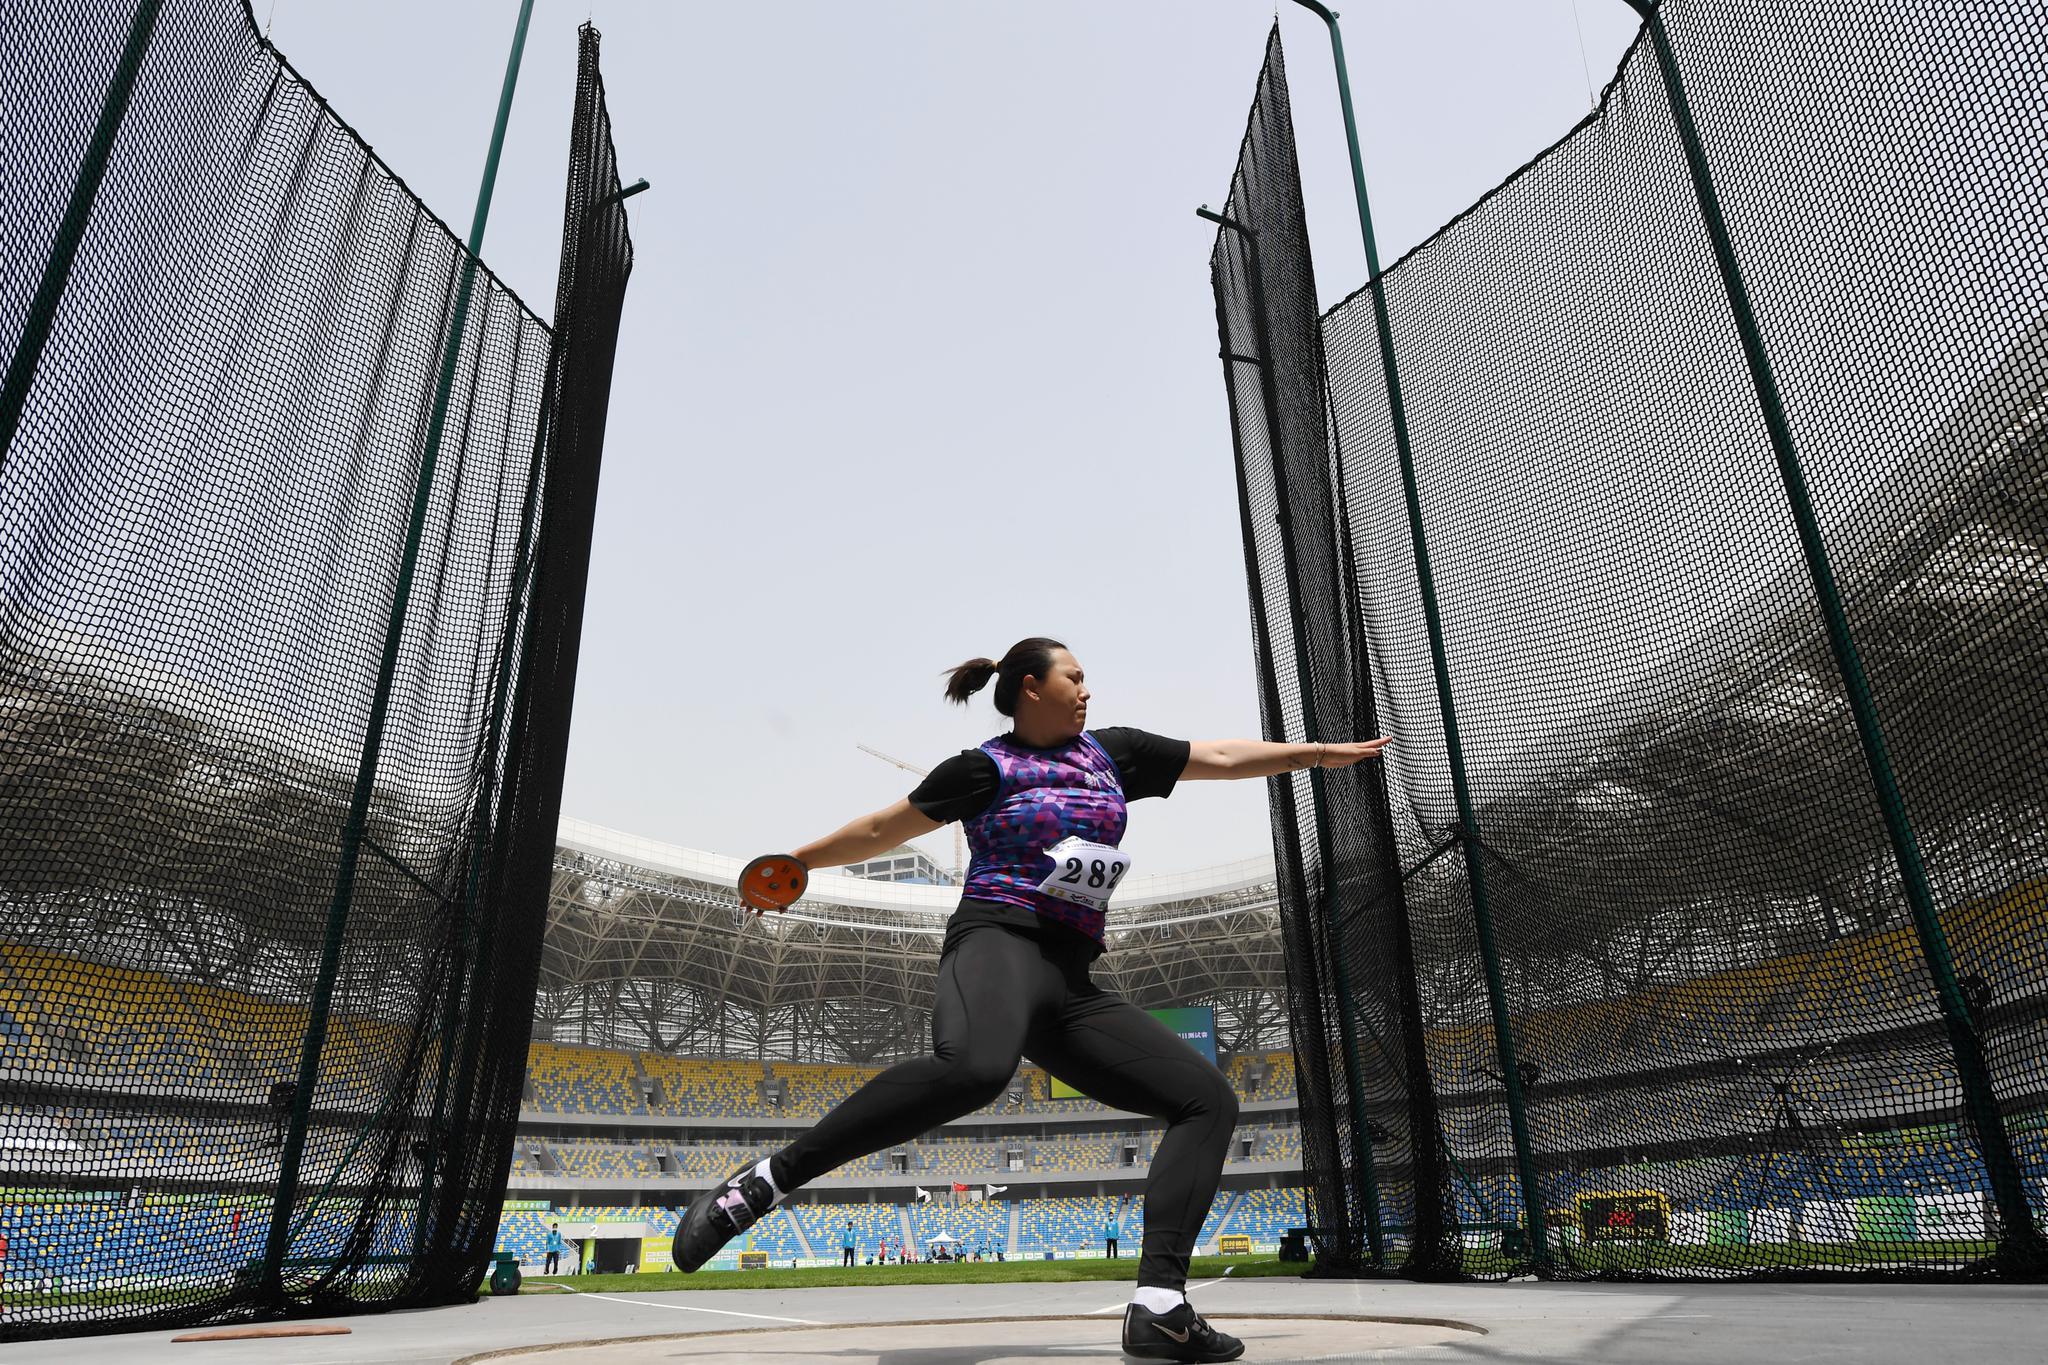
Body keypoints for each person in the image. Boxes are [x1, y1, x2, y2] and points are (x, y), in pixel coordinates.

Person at [672, 638, 1389, 1364]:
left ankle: (1160, 1307)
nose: (1087, 689)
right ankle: (762, 1183)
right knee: (979, 1068)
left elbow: (1224, 757)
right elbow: (886, 827)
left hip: (1071, 983)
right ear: (1029, 687)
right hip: (995, 943)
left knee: (1207, 1099)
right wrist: (798, 861)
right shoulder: (984, 768)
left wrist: (1318, 754)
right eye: (1074, 676)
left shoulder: (1117, 754)